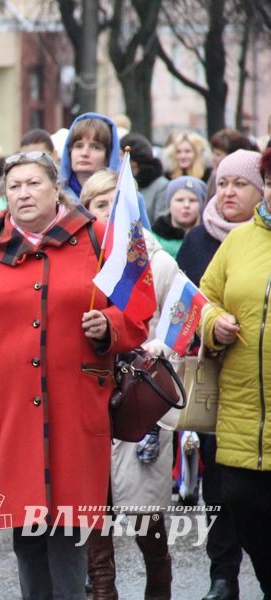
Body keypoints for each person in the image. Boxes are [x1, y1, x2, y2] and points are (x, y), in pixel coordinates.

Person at [0, 150, 148, 600]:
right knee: (25, 533)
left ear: (55, 188)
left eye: (33, 184)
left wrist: (110, 328)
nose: (23, 193)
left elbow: (138, 308)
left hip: (75, 405)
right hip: (10, 407)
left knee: (69, 532)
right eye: (14, 186)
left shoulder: (98, 237)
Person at [81, 170, 178, 600]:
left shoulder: (157, 261)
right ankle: (104, 593)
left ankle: (159, 587)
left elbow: (179, 327)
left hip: (140, 404)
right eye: (97, 205)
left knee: (145, 517)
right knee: (91, 511)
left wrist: (143, 351)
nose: (107, 214)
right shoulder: (81, 261)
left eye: (113, 204)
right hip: (89, 401)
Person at [177, 150, 264, 600]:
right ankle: (223, 575)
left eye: (240, 184)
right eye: (222, 182)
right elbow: (194, 304)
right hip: (222, 386)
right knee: (227, 489)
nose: (228, 192)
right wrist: (213, 325)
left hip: (258, 387)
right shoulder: (202, 240)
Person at [59, 112, 122, 203]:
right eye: (78, 146)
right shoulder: (55, 197)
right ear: (69, 152)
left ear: (108, 155)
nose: (84, 153)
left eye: (95, 147)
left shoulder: (124, 197)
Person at [151, 176, 207, 257]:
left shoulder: (208, 238)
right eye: (180, 200)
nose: (186, 205)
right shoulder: (153, 240)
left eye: (192, 200)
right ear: (169, 204)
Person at [121, 133, 170, 223]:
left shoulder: (161, 186)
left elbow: (161, 222)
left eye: (121, 155)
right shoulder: (120, 183)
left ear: (133, 160)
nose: (118, 159)